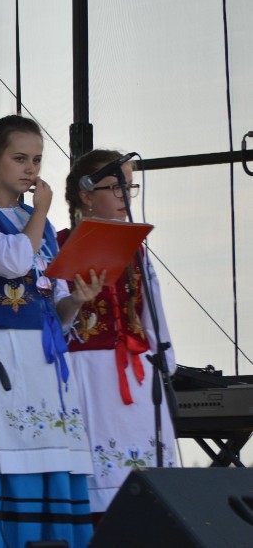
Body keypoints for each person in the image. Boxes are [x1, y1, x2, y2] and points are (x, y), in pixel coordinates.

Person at [0, 115, 103, 547]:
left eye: (37, 160)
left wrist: (77, 299)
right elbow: (12, 261)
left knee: (53, 461)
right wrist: (39, 212)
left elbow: (55, 304)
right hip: (3, 354)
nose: (30, 170)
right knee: (11, 459)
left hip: (46, 359)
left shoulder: (39, 223)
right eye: (19, 159)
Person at [60, 149, 177, 522]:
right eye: (116, 187)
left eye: (130, 187)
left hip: (136, 373)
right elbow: (55, 318)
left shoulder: (137, 252)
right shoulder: (59, 243)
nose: (126, 197)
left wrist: (162, 365)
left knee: (149, 492)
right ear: (86, 194)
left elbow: (152, 316)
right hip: (87, 375)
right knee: (100, 490)